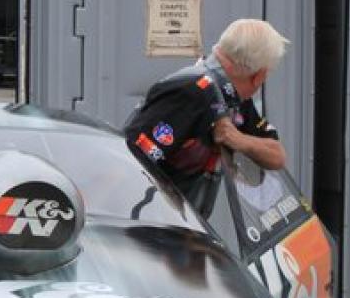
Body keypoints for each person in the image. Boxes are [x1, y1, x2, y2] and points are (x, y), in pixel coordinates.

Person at [124, 18, 289, 216]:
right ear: (260, 76)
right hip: (150, 219)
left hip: (185, 221)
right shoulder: (192, 89)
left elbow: (277, 156)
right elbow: (127, 158)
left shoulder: (234, 98)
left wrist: (238, 139)